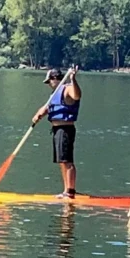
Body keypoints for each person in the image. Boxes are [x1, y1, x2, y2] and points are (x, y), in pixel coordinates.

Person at [32, 66, 82, 199]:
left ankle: (70, 191)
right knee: (61, 161)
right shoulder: (54, 95)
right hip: (56, 130)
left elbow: (76, 95)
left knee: (67, 160)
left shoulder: (67, 89)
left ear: (55, 79)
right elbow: (48, 107)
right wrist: (39, 114)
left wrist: (73, 79)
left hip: (65, 129)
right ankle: (66, 190)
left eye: (49, 81)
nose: (49, 85)